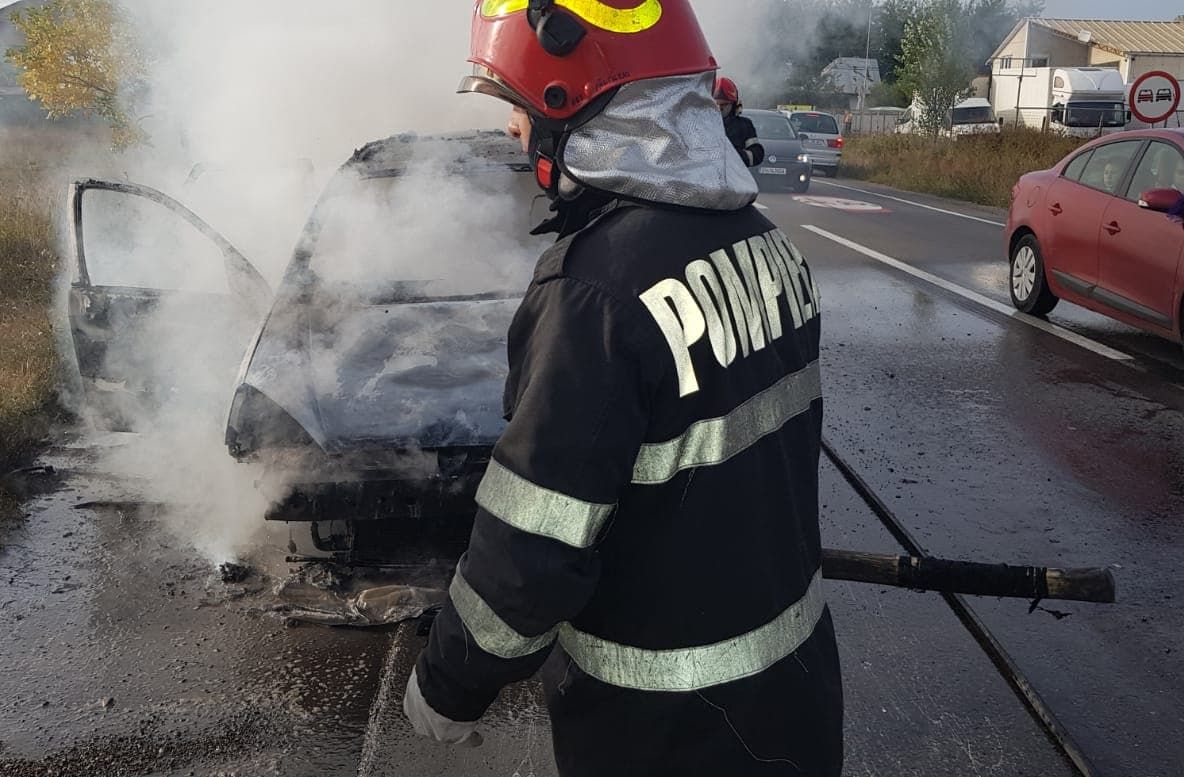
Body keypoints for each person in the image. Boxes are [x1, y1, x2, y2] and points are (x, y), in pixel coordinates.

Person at [403, 2, 843, 775]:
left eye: (520, 106)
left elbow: (531, 549)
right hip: (797, 700)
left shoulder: (594, 296)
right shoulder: (767, 245)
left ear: (572, 103)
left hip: (665, 737)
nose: (512, 129)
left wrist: (448, 684)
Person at [714, 75, 765, 167]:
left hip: (735, 178)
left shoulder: (744, 125)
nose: (719, 108)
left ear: (734, 104)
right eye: (716, 104)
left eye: (724, 104)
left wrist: (735, 155)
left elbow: (757, 155)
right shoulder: (701, 124)